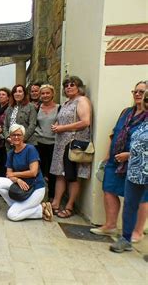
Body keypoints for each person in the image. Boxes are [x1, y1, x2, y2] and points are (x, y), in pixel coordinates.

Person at [91, 81, 147, 238]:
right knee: (109, 189)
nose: (137, 94)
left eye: (141, 92)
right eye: (135, 91)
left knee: (141, 197)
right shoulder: (126, 112)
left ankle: (137, 232)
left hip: (138, 163)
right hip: (115, 160)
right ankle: (110, 225)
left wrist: (129, 155)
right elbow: (114, 133)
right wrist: (108, 155)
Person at [110, 89, 148, 253]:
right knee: (130, 205)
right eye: (147, 100)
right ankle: (125, 239)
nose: (146, 103)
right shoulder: (143, 122)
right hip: (136, 170)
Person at [50, 75, 92, 218]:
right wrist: (57, 126)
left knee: (73, 175)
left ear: (79, 87)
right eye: (66, 85)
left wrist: (62, 128)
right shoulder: (67, 102)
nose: (68, 87)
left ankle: (69, 206)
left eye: (72, 85)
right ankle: (55, 203)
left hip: (73, 145)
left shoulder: (82, 100)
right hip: (62, 143)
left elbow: (85, 121)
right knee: (60, 174)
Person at [0, 124, 53, 222]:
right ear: (10, 137)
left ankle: (40, 209)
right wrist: (18, 180)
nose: (16, 137)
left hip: (35, 189)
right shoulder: (11, 153)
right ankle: (18, 206)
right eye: (13, 135)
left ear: (23, 136)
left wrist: (15, 175)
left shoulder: (30, 149)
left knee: (12, 215)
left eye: (19, 135)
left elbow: (33, 172)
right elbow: (8, 174)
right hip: (20, 187)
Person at [34, 84, 59, 201]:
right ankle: (39, 196)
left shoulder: (60, 108)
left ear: (52, 94)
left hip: (54, 143)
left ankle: (52, 196)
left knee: (52, 171)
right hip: (39, 142)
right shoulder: (36, 108)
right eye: (42, 93)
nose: (45, 95)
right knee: (40, 170)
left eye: (47, 93)